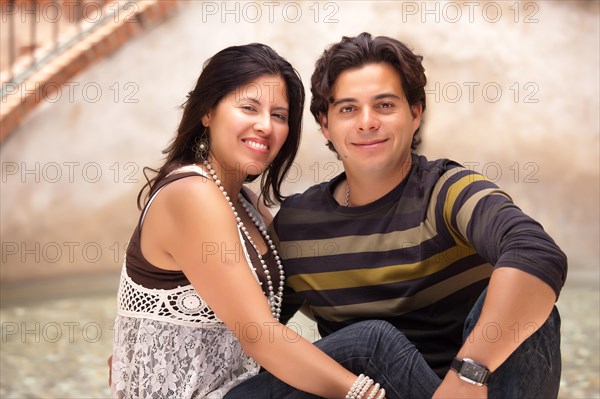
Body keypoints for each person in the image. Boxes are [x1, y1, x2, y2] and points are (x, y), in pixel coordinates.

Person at [225, 33, 567, 398]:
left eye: (385, 105)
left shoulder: (447, 190)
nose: (367, 122)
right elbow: (263, 333)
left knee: (530, 295)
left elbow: (537, 252)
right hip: (375, 392)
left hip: (479, 389)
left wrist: (468, 374)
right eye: (348, 109)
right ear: (325, 124)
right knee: (363, 343)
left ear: (415, 114)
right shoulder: (298, 227)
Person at [109, 43, 396, 398]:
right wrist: (365, 394)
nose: (265, 126)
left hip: (240, 389)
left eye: (278, 115)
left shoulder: (247, 205)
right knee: (372, 344)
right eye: (248, 108)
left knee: (375, 336)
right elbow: (260, 336)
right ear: (207, 112)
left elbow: (306, 296)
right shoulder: (193, 193)